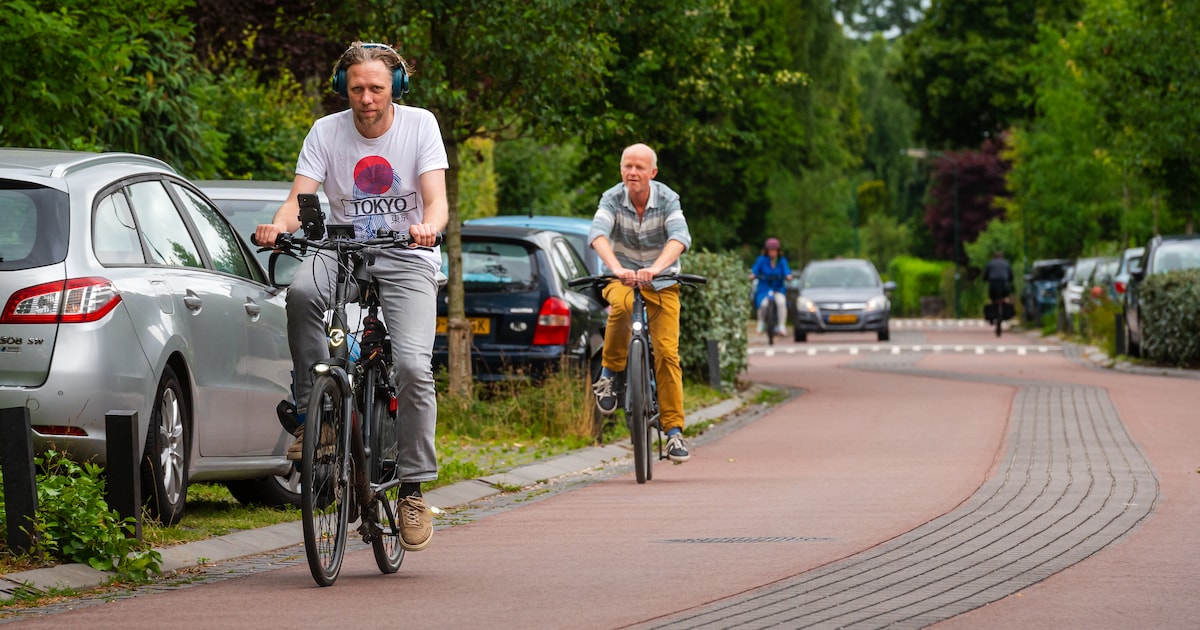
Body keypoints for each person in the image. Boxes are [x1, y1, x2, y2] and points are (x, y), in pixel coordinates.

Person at [254, 41, 447, 552]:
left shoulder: (421, 125)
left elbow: (437, 199)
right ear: (344, 88)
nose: (366, 98)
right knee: (299, 293)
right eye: (357, 87)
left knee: (411, 366)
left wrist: (429, 227)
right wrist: (277, 227)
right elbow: (300, 197)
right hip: (340, 249)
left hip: (407, 252)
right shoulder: (325, 131)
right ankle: (312, 418)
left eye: (377, 88)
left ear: (396, 88)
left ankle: (411, 487)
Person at [588, 143, 694, 462]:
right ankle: (608, 375)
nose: (632, 172)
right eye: (627, 166)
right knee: (619, 308)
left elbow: (680, 238)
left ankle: (674, 432)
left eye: (638, 167)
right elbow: (597, 235)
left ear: (652, 173)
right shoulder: (611, 198)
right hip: (622, 280)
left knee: (667, 354)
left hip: (661, 282)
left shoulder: (667, 198)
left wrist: (657, 268)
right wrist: (618, 269)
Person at [750, 237, 792, 336]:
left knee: (781, 302)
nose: (772, 252)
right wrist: (753, 274)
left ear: (778, 251)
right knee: (763, 304)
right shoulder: (761, 260)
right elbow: (755, 269)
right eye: (770, 250)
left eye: (774, 250)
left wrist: (788, 275)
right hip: (764, 288)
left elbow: (786, 270)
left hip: (778, 288)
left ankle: (781, 326)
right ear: (767, 251)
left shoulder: (781, 261)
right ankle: (761, 323)